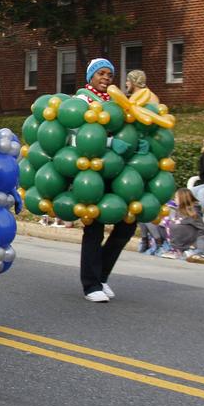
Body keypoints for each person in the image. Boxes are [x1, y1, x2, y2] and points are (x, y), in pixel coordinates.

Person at [76, 59, 135, 303]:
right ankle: (90, 284)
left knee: (128, 223)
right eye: (101, 73)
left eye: (110, 74)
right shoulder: (80, 101)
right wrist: (109, 143)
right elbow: (73, 136)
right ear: (90, 76)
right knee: (95, 226)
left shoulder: (117, 102)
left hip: (118, 169)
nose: (106, 77)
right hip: (92, 170)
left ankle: (102, 276)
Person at [161, 188, 204, 259]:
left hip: (189, 239)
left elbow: (202, 228)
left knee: (174, 226)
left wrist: (195, 244)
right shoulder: (179, 210)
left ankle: (178, 250)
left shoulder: (193, 211)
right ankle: (170, 248)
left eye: (176, 197)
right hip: (179, 238)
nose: (174, 199)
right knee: (165, 222)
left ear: (182, 198)